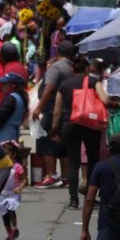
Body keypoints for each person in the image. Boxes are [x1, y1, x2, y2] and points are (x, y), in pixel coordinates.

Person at [52, 57, 107, 210]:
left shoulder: (64, 85)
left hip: (70, 124)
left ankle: (73, 199)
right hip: (90, 124)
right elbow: (105, 99)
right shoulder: (92, 81)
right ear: (86, 69)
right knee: (92, 161)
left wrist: (54, 128)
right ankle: (90, 196)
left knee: (73, 163)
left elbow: (57, 111)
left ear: (72, 70)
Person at [32, 40, 75, 189]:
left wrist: (38, 108)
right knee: (64, 144)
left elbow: (49, 88)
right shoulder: (73, 67)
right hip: (69, 111)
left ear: (58, 53)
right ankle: (66, 176)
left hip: (53, 110)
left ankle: (51, 175)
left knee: (43, 140)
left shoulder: (56, 67)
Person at [0, 140, 27, 240]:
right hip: (2, 194)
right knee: (4, 215)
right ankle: (9, 233)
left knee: (11, 209)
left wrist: (20, 188)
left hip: (13, 193)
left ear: (13, 154)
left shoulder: (17, 167)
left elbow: (24, 179)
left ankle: (14, 228)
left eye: (6, 154)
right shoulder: (0, 166)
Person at [0, 71, 27, 142]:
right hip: (12, 134)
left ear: (13, 86)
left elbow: (1, 116)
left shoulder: (10, 98)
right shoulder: (19, 97)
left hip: (4, 136)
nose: (2, 85)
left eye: (5, 83)